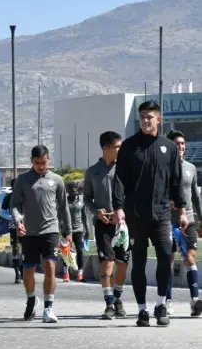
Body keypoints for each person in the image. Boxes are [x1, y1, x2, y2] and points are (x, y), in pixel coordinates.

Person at [112, 100, 186, 327]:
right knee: (140, 261)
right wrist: (118, 208)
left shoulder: (169, 147)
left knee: (165, 254)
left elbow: (176, 180)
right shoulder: (129, 146)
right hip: (136, 214)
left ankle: (161, 304)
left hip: (162, 213)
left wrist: (182, 211)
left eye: (150, 117)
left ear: (158, 119)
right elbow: (120, 178)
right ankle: (142, 310)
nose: (145, 120)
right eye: (142, 116)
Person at [10, 145, 71, 324]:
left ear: (48, 160)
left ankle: (48, 308)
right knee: (28, 271)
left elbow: (63, 207)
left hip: (51, 231)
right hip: (29, 232)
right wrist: (18, 222)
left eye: (44, 163)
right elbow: (14, 205)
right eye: (37, 163)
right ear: (31, 161)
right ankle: (31, 299)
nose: (41, 166)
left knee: (50, 266)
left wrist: (68, 231)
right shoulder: (23, 180)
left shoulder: (57, 180)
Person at [84, 131, 129, 320]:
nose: (120, 149)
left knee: (123, 263)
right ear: (105, 148)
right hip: (103, 225)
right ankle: (109, 303)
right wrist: (97, 212)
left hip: (124, 225)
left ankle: (117, 297)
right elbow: (87, 199)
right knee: (107, 263)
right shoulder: (92, 171)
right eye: (117, 146)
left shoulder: (127, 168)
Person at [165, 129, 202, 317]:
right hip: (168, 221)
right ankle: (168, 300)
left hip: (189, 220)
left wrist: (201, 217)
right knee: (169, 260)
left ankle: (195, 300)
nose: (180, 146)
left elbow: (195, 195)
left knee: (190, 258)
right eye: (177, 143)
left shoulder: (191, 168)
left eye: (182, 143)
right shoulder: (164, 168)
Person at [61, 180, 88, 283]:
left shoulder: (81, 201)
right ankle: (66, 273)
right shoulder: (64, 202)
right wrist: (60, 228)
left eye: (76, 190)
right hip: (66, 230)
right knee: (66, 252)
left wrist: (87, 229)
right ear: (68, 191)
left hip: (79, 230)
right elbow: (60, 216)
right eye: (72, 190)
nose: (74, 192)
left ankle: (80, 273)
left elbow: (84, 216)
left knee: (80, 251)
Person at [2, 178, 22, 283]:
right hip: (14, 227)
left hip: (26, 226)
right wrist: (11, 217)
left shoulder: (26, 196)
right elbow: (3, 212)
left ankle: (23, 269)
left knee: (25, 249)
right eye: (14, 186)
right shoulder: (8, 198)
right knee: (16, 249)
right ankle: (17, 272)